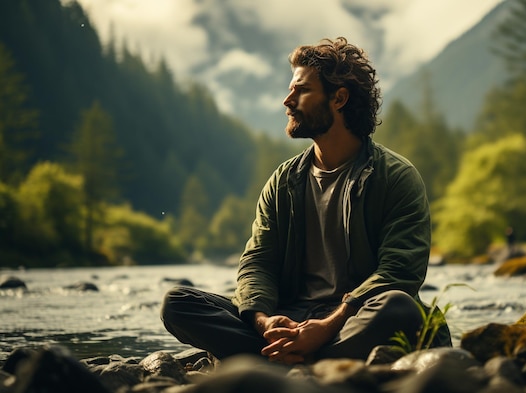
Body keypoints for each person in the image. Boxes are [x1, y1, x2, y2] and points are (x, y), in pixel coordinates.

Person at [161, 37, 451, 365]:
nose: (288, 100)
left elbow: (399, 271)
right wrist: (264, 321)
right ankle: (304, 354)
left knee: (399, 307)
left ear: (339, 98)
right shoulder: (283, 181)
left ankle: (282, 357)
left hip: (352, 317)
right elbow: (258, 262)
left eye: (301, 90)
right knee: (178, 303)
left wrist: (328, 326)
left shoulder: (395, 176)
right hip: (291, 317)